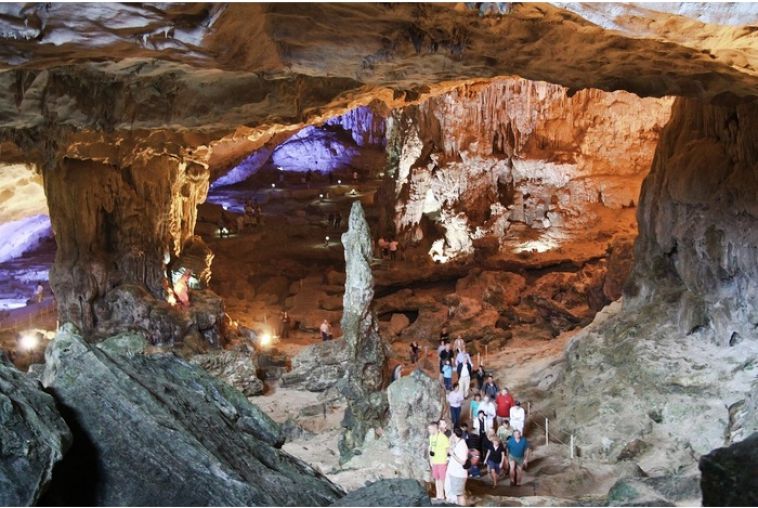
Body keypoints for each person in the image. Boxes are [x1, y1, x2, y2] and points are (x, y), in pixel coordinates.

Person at [446, 427, 470, 506]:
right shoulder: (458, 443)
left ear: (454, 434)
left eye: (452, 434)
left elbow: (463, 462)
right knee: (458, 494)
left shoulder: (462, 445)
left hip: (459, 474)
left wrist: (452, 454)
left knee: (460, 495)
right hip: (455, 473)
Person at [428, 421, 449, 501]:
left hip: (441, 461)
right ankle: (438, 495)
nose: (429, 431)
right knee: (437, 479)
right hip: (434, 461)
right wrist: (431, 459)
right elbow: (431, 448)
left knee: (442, 479)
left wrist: (445, 458)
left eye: (430, 429)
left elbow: (447, 449)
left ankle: (442, 495)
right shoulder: (431, 437)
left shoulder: (443, 437)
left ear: (435, 429)